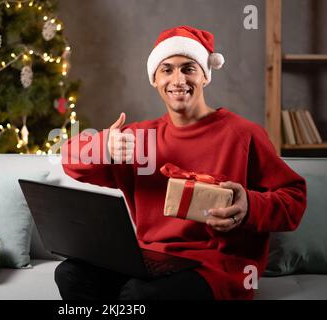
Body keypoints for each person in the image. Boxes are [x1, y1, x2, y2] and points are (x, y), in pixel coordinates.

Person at [56, 25, 307, 300]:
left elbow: (294, 199)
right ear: (154, 79)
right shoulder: (139, 139)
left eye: (189, 68)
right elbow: (69, 160)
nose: (178, 80)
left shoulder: (243, 134)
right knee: (69, 274)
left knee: (140, 295)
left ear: (205, 76)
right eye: (167, 69)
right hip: (150, 258)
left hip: (217, 265)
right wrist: (103, 146)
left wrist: (248, 206)